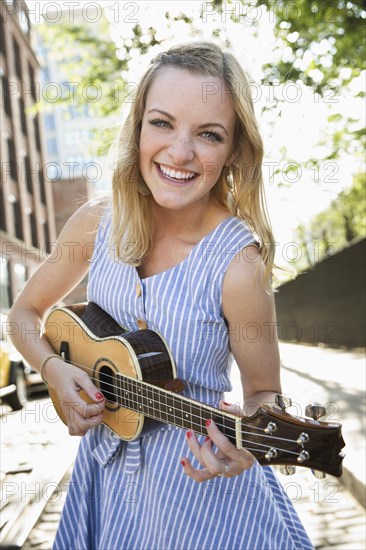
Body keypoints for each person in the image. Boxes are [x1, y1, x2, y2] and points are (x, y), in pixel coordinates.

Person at [9, 41, 313, 549]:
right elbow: (23, 313)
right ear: (138, 127)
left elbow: (264, 394)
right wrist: (53, 369)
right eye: (162, 123)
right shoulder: (95, 223)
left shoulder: (239, 264)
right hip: (106, 489)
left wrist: (250, 445)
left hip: (203, 500)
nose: (180, 152)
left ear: (235, 149)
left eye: (209, 135)